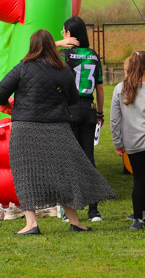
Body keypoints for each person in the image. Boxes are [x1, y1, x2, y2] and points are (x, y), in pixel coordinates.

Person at [0, 29, 115, 235]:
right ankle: (75, 221)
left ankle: (32, 224)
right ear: (52, 46)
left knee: (26, 176)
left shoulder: (22, 68)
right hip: (57, 127)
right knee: (65, 174)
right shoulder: (64, 69)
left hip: (26, 128)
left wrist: (12, 105)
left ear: (32, 46)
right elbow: (74, 99)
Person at [55, 16, 106, 222]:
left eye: (63, 32)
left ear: (68, 34)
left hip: (70, 109)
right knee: (89, 159)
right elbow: (100, 87)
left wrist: (58, 44)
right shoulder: (93, 54)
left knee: (70, 160)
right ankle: (94, 210)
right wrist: (100, 112)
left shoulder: (65, 53)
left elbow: (37, 50)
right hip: (89, 109)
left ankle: (72, 209)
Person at [110, 50, 145, 230]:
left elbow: (115, 119)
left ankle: (138, 219)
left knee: (139, 180)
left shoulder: (120, 89)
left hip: (132, 142)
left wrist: (117, 142)